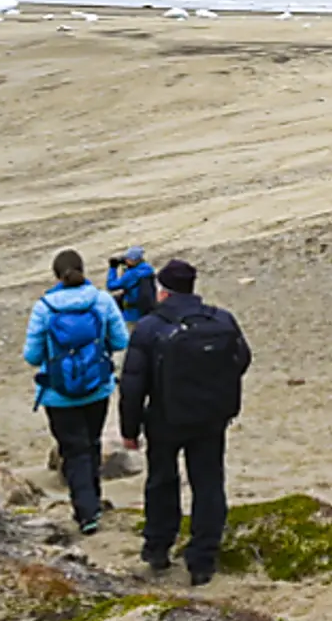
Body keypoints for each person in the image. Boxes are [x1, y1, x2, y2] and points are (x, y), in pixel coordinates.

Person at [118, 259, 251, 586]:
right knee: (208, 483)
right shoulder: (221, 319)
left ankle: (158, 548)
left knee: (162, 480)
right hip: (211, 415)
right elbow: (242, 359)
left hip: (166, 418)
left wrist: (129, 430)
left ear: (163, 292)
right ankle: (203, 559)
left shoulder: (149, 328)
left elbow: (133, 383)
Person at [22, 248, 129, 535]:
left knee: (73, 449)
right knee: (90, 443)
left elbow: (32, 356)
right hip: (97, 388)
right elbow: (120, 341)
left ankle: (86, 511)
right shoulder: (102, 300)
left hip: (58, 393)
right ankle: (91, 501)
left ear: (56, 275)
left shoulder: (45, 307)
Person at [106, 247, 158, 319]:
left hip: (132, 314)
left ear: (133, 261)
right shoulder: (148, 268)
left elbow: (111, 286)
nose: (125, 260)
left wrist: (113, 268)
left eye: (127, 258)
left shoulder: (131, 275)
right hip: (146, 308)